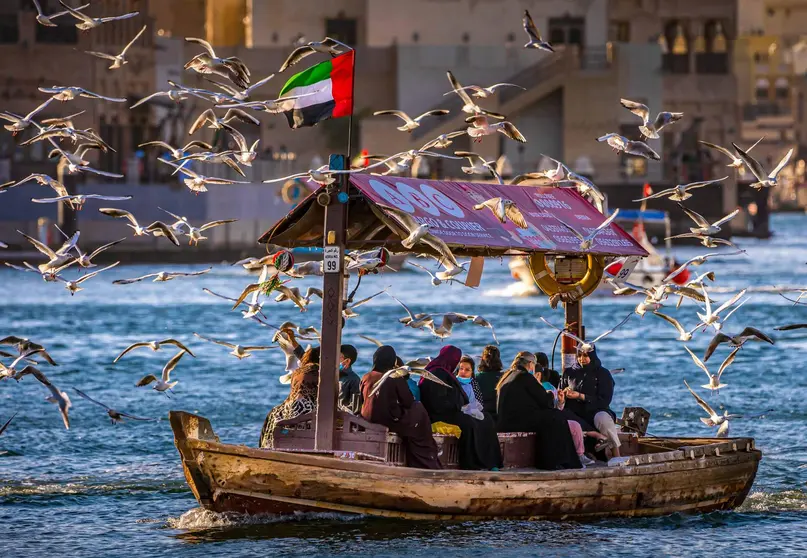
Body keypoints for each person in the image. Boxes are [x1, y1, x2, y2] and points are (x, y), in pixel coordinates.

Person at [420, 346, 503, 471]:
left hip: (450, 410)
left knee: (487, 419)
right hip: (439, 414)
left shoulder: (443, 371)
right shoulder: (437, 372)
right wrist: (459, 406)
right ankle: (471, 463)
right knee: (469, 423)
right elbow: (437, 402)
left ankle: (491, 462)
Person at [496, 351, 582, 470]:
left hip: (506, 421)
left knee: (549, 416)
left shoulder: (508, 376)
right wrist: (553, 395)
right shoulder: (525, 376)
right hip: (517, 421)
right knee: (555, 416)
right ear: (531, 364)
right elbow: (544, 400)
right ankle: (559, 461)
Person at [360, 346, 441, 469]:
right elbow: (408, 401)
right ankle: (424, 457)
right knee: (419, 411)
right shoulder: (394, 376)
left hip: (366, 419)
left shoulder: (366, 377)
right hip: (387, 420)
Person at [560, 346, 621, 457]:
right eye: (579, 356)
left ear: (592, 356)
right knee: (561, 414)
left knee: (602, 418)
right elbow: (561, 393)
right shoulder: (569, 373)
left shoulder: (603, 373)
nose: (581, 359)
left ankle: (616, 455)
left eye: (585, 356)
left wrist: (580, 396)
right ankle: (592, 444)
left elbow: (604, 400)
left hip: (596, 411)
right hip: (576, 413)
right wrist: (563, 395)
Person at [259, 346, 320, 448]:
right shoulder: (320, 371)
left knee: (273, 414)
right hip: (307, 409)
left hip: (290, 406)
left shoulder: (297, 371)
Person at [475, 345, 503, 418]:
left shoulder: (476, 378)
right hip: (500, 414)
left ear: (482, 359)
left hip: (482, 415)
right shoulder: (504, 377)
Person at [338, 344, 361, 414]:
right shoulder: (331, 375)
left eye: (339, 357)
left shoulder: (354, 380)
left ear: (347, 361)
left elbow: (354, 406)